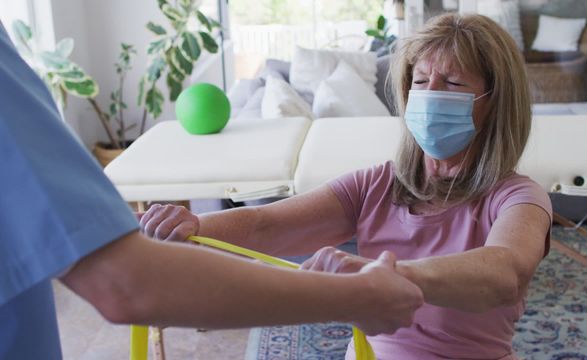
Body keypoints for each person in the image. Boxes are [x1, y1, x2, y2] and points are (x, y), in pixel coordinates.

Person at [141, 13, 553, 360]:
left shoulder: (518, 198)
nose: (430, 95)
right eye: (422, 81)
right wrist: (194, 226)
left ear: (494, 101)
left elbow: (505, 274)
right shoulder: (374, 185)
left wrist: (383, 275)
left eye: (453, 83)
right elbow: (265, 225)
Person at [0, 23, 425, 360]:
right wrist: (355, 297)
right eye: (422, 82)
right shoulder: (374, 182)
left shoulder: (488, 193)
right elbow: (125, 281)